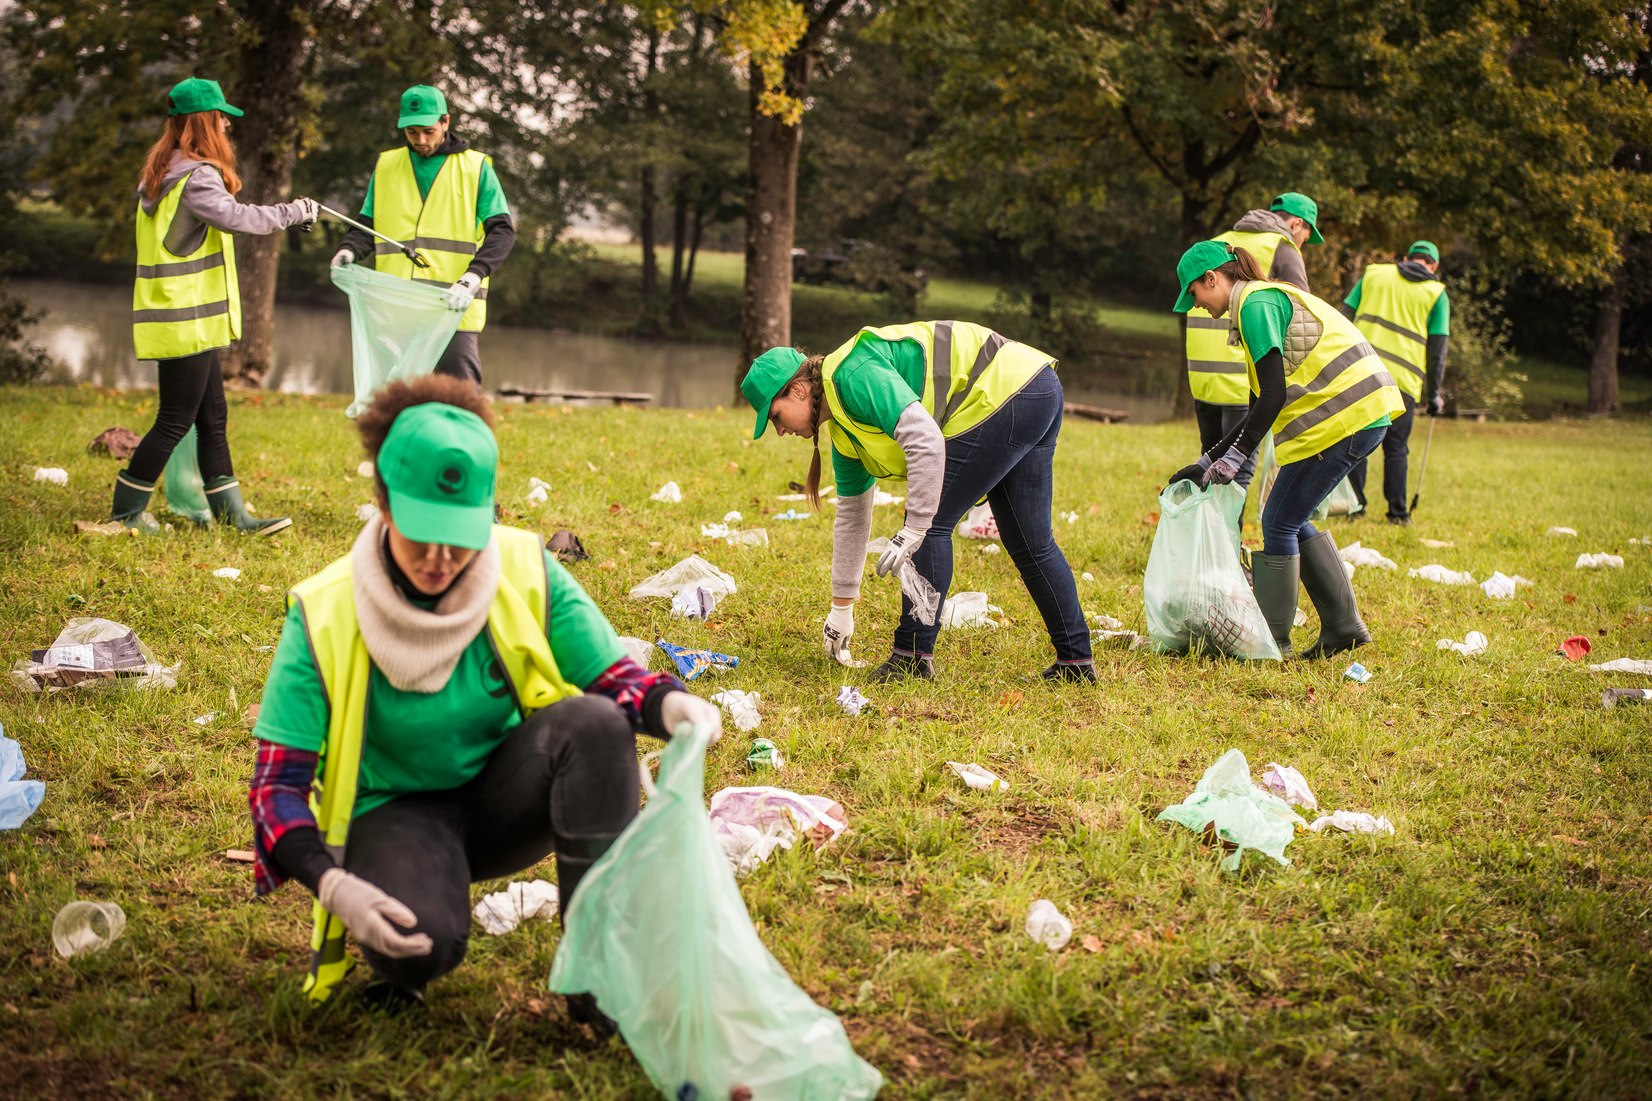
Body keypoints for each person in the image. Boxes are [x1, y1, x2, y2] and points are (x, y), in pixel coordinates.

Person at [247, 375, 721, 1015]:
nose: (441, 558)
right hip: (394, 812)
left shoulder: (524, 567)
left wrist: (671, 705)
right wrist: (333, 886)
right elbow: (276, 788)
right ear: (384, 506)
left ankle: (598, 978)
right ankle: (410, 926)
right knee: (419, 941)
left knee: (596, 723)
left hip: (507, 797)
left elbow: (615, 681)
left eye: (461, 535)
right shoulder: (324, 613)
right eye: (422, 533)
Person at [741, 322, 1094, 684]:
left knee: (932, 524)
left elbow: (924, 439)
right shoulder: (845, 431)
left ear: (798, 391)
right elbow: (851, 517)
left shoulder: (851, 375)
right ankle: (1076, 661)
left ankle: (911, 658)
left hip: (1006, 390)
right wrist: (841, 606)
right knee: (1030, 541)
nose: (779, 431)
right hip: (1034, 387)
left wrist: (916, 526)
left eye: (776, 417)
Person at [1168, 242, 1404, 659]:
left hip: (1347, 417)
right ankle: (1343, 628)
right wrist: (1208, 461)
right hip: (1357, 414)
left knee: (1278, 520)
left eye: (1194, 294)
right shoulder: (1258, 304)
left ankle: (1272, 642)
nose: (1195, 305)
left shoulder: (1255, 306)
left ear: (1213, 278)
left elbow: (1273, 394)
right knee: (1288, 517)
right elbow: (1258, 405)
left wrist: (1235, 458)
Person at [112, 77, 316, 535]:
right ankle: (125, 514)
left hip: (183, 317)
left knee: (212, 416)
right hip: (185, 319)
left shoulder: (161, 174)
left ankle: (232, 515)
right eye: (222, 116)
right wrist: (294, 211)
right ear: (205, 121)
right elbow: (237, 217)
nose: (227, 123)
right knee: (174, 420)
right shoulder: (196, 175)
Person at [331, 85, 514, 386]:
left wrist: (474, 276)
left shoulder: (476, 167)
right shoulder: (387, 165)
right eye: (412, 132)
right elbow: (367, 224)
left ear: (446, 121)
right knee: (395, 401)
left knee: (460, 399)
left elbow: (503, 231)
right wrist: (348, 250)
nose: (421, 140)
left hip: (453, 308)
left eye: (428, 131)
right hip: (397, 309)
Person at [1182, 192, 1322, 491]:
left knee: (1210, 467)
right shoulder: (1282, 248)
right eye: (1307, 238)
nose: (1303, 245)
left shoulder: (1217, 242)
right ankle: (1229, 539)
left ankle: (1217, 539)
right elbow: (1302, 317)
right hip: (1246, 378)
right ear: (1297, 225)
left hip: (1202, 376)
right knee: (1236, 471)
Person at [1341, 241, 1450, 525]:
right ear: (1434, 266)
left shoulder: (1374, 274)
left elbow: (1343, 319)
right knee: (1396, 448)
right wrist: (1435, 394)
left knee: (1356, 442)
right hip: (1402, 382)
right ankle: (1398, 514)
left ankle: (1354, 508)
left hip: (1361, 371)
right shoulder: (1437, 294)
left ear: (1405, 259)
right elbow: (1438, 352)